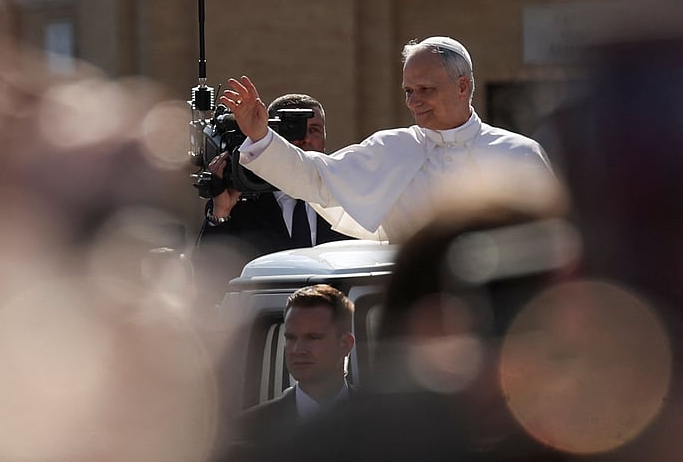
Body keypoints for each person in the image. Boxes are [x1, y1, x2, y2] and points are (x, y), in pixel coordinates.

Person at [220, 36, 555, 243]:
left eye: (426, 90)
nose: (414, 101)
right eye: (409, 91)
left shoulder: (519, 154)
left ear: (462, 86)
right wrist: (261, 136)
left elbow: (551, 240)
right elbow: (315, 178)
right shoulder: (393, 150)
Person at [193, 94, 352, 299]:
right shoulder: (241, 201)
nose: (304, 139)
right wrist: (221, 212)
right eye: (292, 129)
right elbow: (207, 283)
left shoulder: (345, 195)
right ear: (270, 137)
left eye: (314, 130)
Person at [219, 284, 357, 459]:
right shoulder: (247, 430)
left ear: (345, 344)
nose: (298, 349)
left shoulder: (380, 422)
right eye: (291, 338)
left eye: (313, 338)